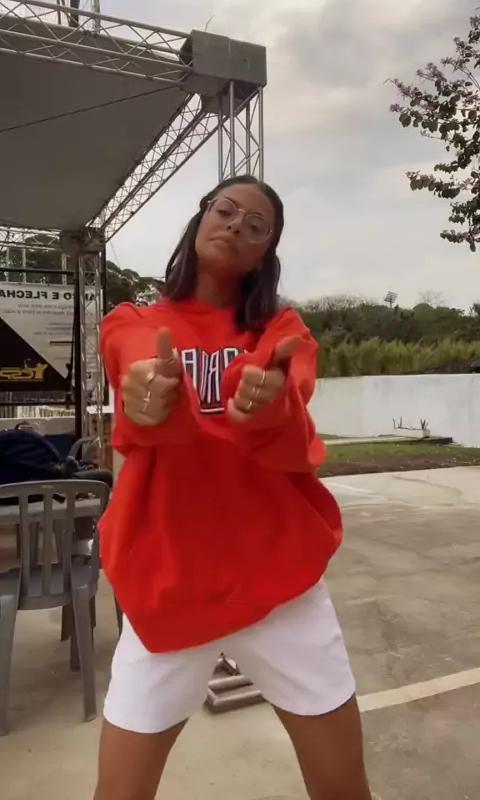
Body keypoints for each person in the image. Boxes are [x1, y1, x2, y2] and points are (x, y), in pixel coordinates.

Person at [95, 175, 371, 800]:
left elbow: (291, 377)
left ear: (266, 251)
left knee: (343, 788)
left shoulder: (281, 328)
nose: (236, 225)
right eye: (225, 210)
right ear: (201, 218)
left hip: (280, 587)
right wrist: (145, 389)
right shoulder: (135, 321)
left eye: (256, 225)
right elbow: (133, 355)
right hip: (169, 588)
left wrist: (270, 403)